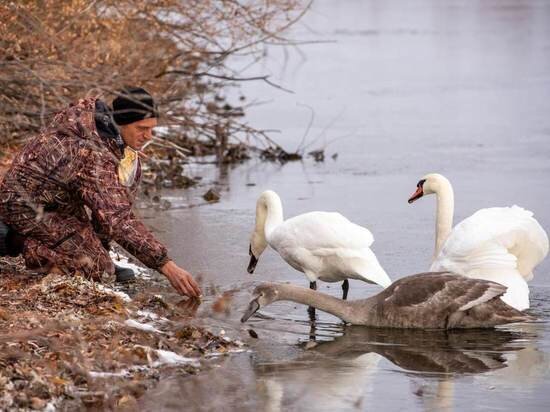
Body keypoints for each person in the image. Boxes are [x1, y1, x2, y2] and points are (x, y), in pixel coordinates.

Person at [0, 87, 201, 297]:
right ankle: (13, 238)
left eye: (152, 129)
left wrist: (100, 248)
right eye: (142, 128)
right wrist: (166, 265)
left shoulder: (119, 146)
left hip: (59, 203)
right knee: (91, 268)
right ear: (122, 123)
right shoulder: (93, 153)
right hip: (24, 206)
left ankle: (96, 255)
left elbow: (109, 209)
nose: (148, 136)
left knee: (101, 264)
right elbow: (116, 219)